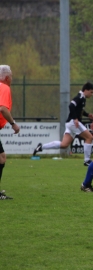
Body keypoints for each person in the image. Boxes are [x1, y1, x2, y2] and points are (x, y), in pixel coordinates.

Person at [33, 82, 93, 166]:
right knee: (89, 137)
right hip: (73, 122)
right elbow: (71, 106)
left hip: (70, 123)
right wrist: (75, 118)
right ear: (86, 90)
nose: (92, 94)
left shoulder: (83, 98)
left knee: (64, 145)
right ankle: (87, 160)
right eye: (91, 92)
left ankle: (41, 147)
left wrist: (87, 115)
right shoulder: (80, 97)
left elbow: (79, 110)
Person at [0, 65, 20, 200]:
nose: (11, 79)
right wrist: (13, 124)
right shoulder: (4, 87)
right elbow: (2, 108)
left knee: (1, 157)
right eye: (11, 76)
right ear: (7, 77)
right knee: (1, 157)